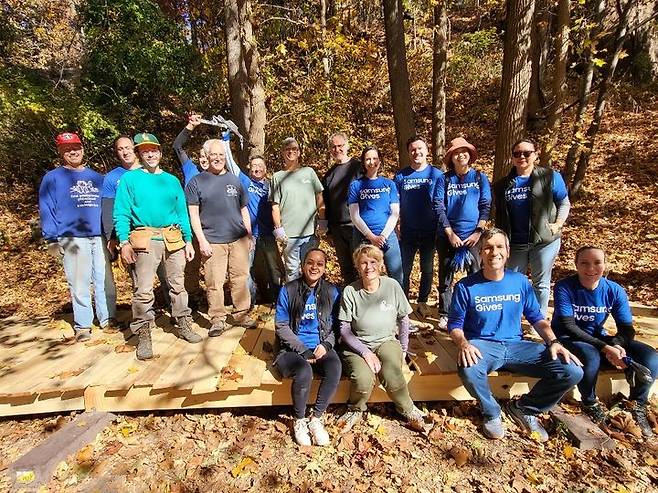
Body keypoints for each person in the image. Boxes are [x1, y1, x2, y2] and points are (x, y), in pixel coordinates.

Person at [449, 228, 583, 442]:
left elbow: (536, 317)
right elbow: (455, 324)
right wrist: (463, 344)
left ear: (508, 251)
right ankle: (491, 412)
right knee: (469, 368)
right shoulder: (466, 286)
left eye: (499, 247)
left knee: (573, 371)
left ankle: (525, 408)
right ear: (480, 253)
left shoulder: (520, 281)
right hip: (483, 345)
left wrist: (554, 342)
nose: (494, 252)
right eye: (488, 248)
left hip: (517, 346)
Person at [552, 246, 658, 437]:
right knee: (590, 355)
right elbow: (569, 326)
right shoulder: (564, 287)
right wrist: (605, 348)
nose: (590, 268)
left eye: (597, 263)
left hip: (600, 338)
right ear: (576, 265)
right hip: (569, 338)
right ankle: (589, 402)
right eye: (584, 263)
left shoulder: (614, 290)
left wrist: (617, 345)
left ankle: (637, 405)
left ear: (605, 265)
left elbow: (627, 328)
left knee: (650, 357)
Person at [114, 133, 202, 360]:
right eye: (144, 151)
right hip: (145, 238)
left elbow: (182, 212)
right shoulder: (129, 180)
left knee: (177, 285)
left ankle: (183, 322)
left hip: (173, 238)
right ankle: (143, 333)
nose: (150, 154)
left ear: (160, 153)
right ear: (139, 154)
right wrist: (124, 242)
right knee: (143, 290)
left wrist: (188, 240)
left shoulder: (172, 180)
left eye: (153, 150)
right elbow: (121, 213)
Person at [337, 244, 426, 432]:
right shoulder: (350, 291)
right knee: (362, 378)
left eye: (373, 261)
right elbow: (344, 330)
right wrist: (366, 353)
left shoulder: (392, 286)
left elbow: (403, 320)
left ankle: (407, 409)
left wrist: (403, 349)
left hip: (386, 341)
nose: (368, 267)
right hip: (357, 345)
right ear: (357, 266)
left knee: (392, 373)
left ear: (381, 264)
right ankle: (355, 409)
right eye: (363, 263)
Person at [39, 132, 117, 341]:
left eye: (76, 147)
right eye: (67, 149)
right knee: (79, 282)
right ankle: (83, 325)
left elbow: (108, 207)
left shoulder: (96, 178)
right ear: (60, 152)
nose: (73, 151)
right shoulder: (52, 178)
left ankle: (108, 319)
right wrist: (51, 238)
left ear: (82, 149)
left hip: (99, 235)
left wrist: (112, 236)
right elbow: (47, 208)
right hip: (72, 237)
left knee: (104, 280)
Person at [186, 138, 257, 336]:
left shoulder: (235, 180)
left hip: (238, 239)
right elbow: (193, 214)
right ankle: (217, 318)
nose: (217, 158)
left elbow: (244, 210)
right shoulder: (196, 182)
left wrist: (249, 235)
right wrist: (201, 240)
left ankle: (241, 313)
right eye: (213, 155)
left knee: (240, 278)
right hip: (212, 241)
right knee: (214, 282)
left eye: (221, 155)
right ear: (207, 157)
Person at [493, 138, 570, 316]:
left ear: (535, 155)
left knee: (541, 283)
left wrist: (558, 224)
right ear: (512, 158)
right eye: (517, 154)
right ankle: (513, 318)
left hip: (544, 241)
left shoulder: (549, 176)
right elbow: (497, 214)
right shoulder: (502, 185)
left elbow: (564, 202)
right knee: (512, 282)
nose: (522, 157)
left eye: (527, 153)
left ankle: (539, 319)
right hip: (514, 243)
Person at [274, 249, 341, 446]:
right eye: (310, 262)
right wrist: (302, 349)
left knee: (335, 367)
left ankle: (316, 418)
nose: (314, 267)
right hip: (291, 350)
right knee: (303, 371)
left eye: (320, 264)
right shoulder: (289, 290)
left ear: (325, 267)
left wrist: (327, 344)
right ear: (303, 265)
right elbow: (281, 325)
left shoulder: (332, 291)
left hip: (320, 346)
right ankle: (299, 420)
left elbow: (338, 325)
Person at [102, 135, 170, 310]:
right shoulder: (112, 178)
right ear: (116, 153)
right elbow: (110, 209)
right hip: (132, 237)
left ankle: (173, 310)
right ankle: (145, 319)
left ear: (136, 149)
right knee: (140, 280)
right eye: (120, 149)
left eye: (128, 147)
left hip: (159, 234)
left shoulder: (152, 170)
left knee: (168, 276)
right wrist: (114, 237)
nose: (125, 152)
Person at [434, 137, 491, 329]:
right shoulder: (444, 179)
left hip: (473, 237)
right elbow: (439, 206)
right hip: (447, 235)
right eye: (456, 153)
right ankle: (445, 313)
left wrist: (478, 232)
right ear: (451, 157)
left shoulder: (479, 177)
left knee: (475, 275)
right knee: (445, 276)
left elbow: (485, 205)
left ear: (470, 154)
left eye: (464, 151)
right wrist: (450, 233)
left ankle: (473, 311)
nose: (461, 155)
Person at [394, 136, 442, 318]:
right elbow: (395, 202)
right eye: (413, 149)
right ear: (408, 153)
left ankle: (422, 301)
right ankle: (403, 304)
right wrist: (397, 223)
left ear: (427, 150)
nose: (417, 152)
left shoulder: (437, 175)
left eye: (420, 148)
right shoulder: (401, 176)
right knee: (404, 269)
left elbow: (440, 203)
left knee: (427, 268)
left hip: (430, 231)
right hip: (407, 230)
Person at [269, 137, 326, 281]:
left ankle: (312, 300)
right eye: (288, 149)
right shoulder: (277, 177)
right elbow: (275, 205)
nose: (291, 152)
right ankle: (295, 302)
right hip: (290, 235)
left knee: (312, 269)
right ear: (282, 153)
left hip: (310, 233)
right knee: (292, 271)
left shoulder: (309, 172)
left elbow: (319, 197)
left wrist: (323, 221)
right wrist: (279, 229)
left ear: (299, 152)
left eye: (294, 149)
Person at [349, 146, 402, 286]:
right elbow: (354, 215)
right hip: (362, 236)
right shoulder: (356, 185)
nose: (371, 162)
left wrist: (383, 236)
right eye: (368, 159)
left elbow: (395, 213)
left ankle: (400, 307)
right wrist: (371, 237)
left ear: (380, 161)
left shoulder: (389, 184)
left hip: (387, 236)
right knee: (365, 274)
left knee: (396, 275)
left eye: (374, 158)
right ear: (363, 162)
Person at [173, 114, 210, 306]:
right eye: (202, 157)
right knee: (191, 265)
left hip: (211, 229)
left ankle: (213, 300)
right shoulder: (191, 170)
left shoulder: (219, 176)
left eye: (207, 156)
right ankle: (192, 298)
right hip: (191, 227)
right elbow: (177, 147)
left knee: (212, 266)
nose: (204, 160)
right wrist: (190, 127)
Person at [322, 132, 361, 285]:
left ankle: (366, 301)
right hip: (337, 229)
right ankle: (351, 300)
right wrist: (327, 229)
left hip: (357, 226)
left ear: (347, 146)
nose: (337, 149)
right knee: (346, 268)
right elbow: (325, 203)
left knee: (362, 265)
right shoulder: (329, 175)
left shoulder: (358, 168)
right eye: (333, 147)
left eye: (340, 146)